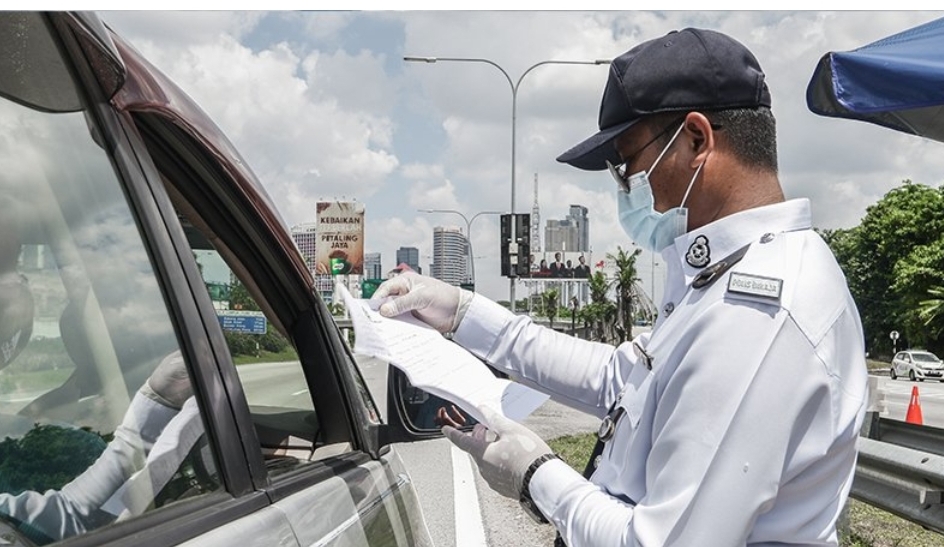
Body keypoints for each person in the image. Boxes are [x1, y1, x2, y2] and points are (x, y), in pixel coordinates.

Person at [373, 27, 868, 546]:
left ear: (697, 140)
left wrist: (535, 473)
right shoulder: (725, 277)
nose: (625, 185)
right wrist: (462, 313)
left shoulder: (761, 311)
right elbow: (620, 379)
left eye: (628, 164)